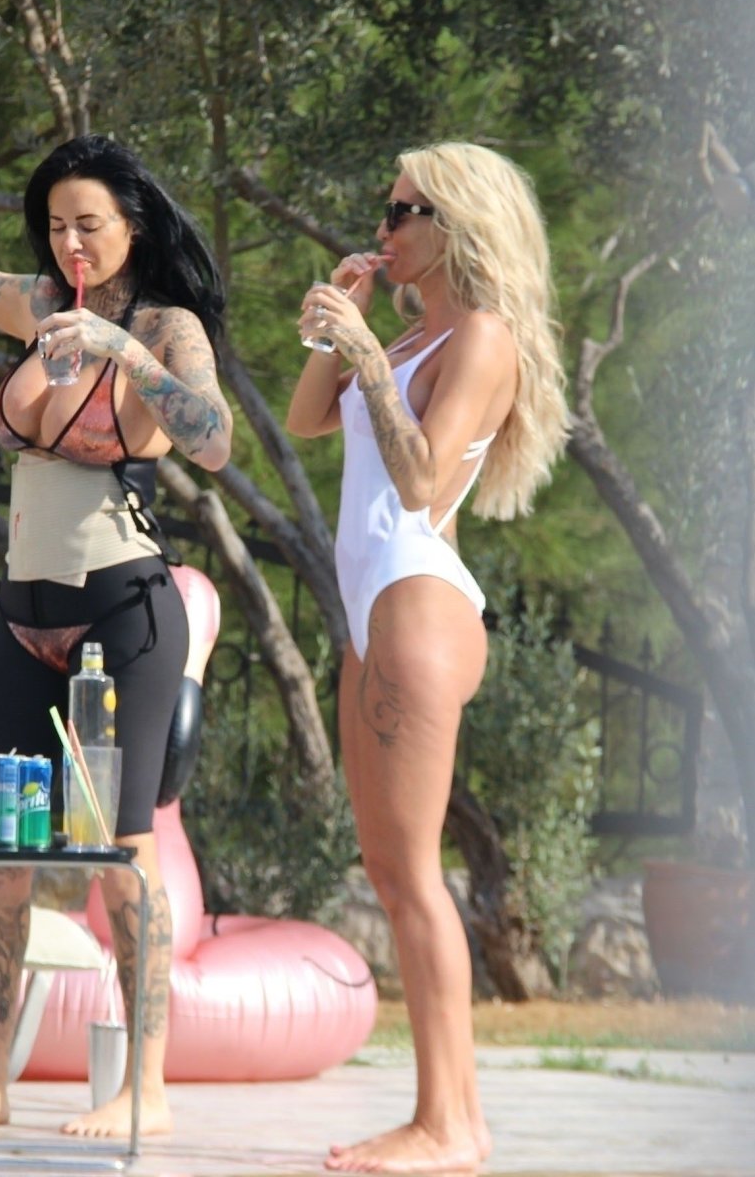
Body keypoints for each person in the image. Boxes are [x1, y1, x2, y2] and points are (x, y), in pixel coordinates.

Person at [0, 30, 233, 1138]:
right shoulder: (37, 303)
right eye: (54, 224)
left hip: (124, 611)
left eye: (89, 222)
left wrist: (122, 353)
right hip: (22, 614)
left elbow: (213, 439)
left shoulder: (165, 324)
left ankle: (146, 1085)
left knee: (119, 854)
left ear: (132, 225)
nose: (69, 241)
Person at [286, 142, 567, 1173]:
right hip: (375, 609)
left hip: (418, 598)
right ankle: (445, 1119)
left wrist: (364, 350)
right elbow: (304, 419)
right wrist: (341, 332)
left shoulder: (482, 335)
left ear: (455, 225)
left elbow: (417, 483)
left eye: (403, 210)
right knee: (389, 870)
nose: (384, 224)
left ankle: (448, 1124)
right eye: (386, 206)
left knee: (412, 874)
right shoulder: (411, 334)